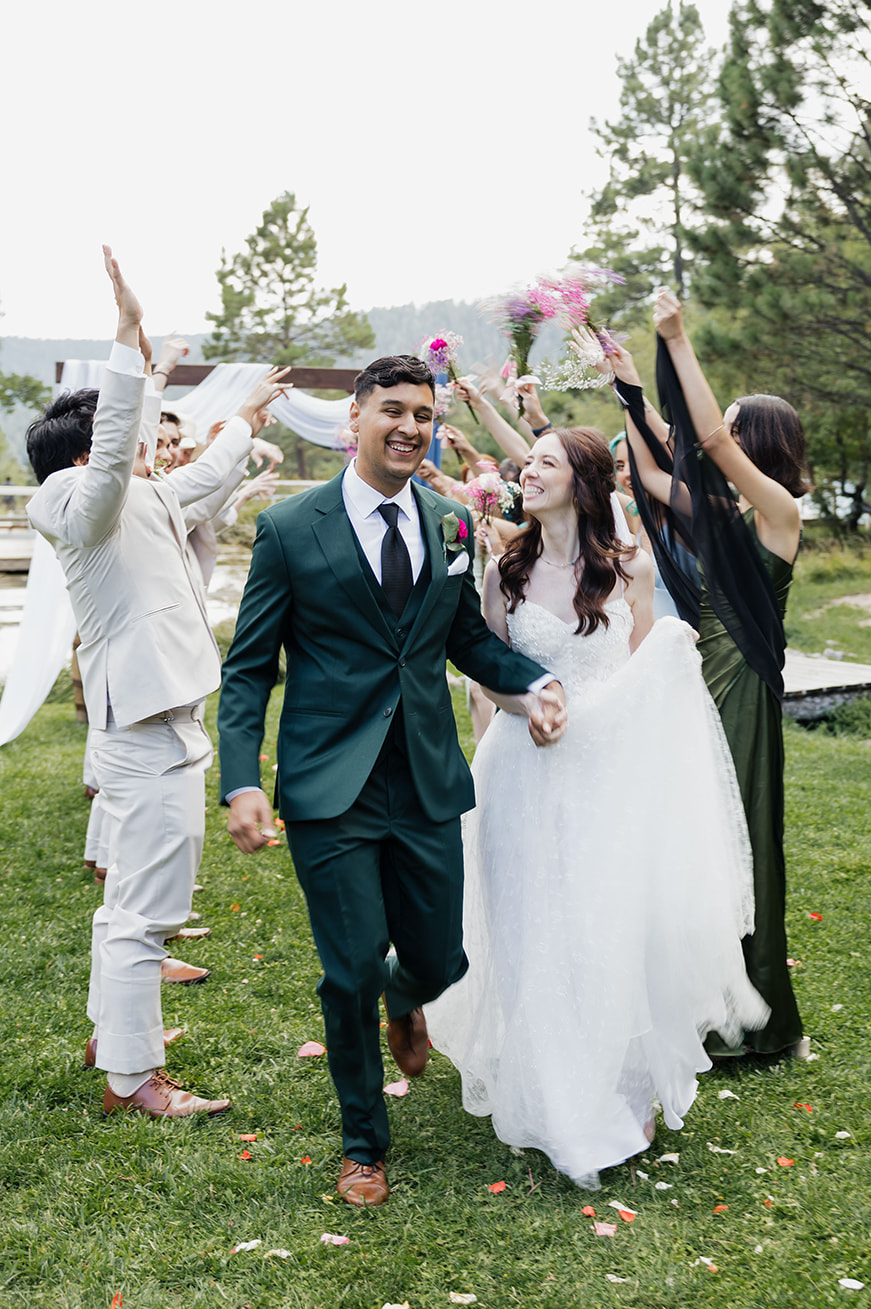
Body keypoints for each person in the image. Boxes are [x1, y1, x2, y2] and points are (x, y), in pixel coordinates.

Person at [218, 354, 568, 1209]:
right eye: (394, 411)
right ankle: (362, 1145)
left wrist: (528, 685)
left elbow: (466, 643)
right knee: (347, 970)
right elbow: (249, 667)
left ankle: (405, 1001)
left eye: (424, 413)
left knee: (440, 958)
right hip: (326, 785)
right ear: (357, 419)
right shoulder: (290, 528)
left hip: (424, 779)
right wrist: (240, 779)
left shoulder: (451, 524)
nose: (410, 427)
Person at [426, 427, 767, 1188]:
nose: (528, 472)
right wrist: (519, 715)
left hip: (605, 779)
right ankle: (549, 1096)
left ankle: (618, 1087)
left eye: (545, 462)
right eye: (528, 463)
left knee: (599, 927)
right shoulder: (502, 572)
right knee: (524, 931)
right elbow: (487, 671)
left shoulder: (629, 571)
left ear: (582, 483)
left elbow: (651, 681)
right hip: (517, 774)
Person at [25, 246, 287, 1118]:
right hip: (139, 731)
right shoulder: (70, 500)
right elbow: (108, 463)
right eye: (130, 431)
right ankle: (134, 1078)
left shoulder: (147, 495)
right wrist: (128, 338)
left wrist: (246, 415)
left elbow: (205, 478)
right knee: (146, 914)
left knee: (131, 910)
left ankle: (115, 1035)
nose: (147, 443)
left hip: (170, 723)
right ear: (86, 448)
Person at [607, 290, 808, 1059]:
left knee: (746, 841)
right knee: (696, 838)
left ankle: (757, 1024)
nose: (717, 426)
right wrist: (629, 386)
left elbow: (704, 440)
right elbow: (655, 473)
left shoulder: (778, 512)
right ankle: (703, 1004)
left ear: (757, 438)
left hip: (743, 689)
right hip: (694, 684)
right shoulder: (722, 516)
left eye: (730, 420)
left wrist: (677, 340)